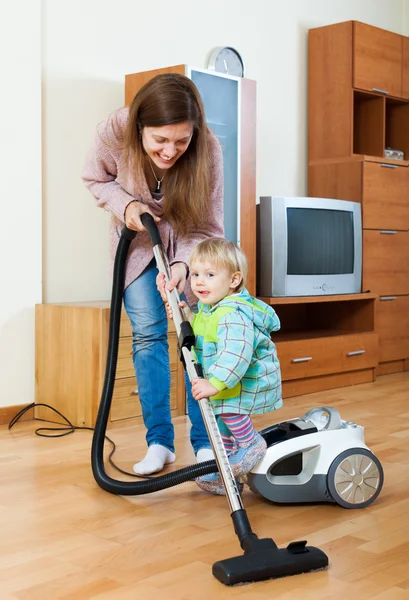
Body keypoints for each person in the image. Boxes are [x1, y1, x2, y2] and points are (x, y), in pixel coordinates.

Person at [82, 73, 224, 475]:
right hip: (137, 246)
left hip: (188, 250)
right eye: (160, 140)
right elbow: (96, 179)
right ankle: (159, 441)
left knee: (196, 337)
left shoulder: (208, 149)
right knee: (147, 334)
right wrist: (127, 206)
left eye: (181, 141)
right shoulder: (114, 130)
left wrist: (184, 266)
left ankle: (205, 442)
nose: (171, 151)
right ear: (139, 128)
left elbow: (209, 226)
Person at [161, 237, 282, 495]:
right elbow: (206, 333)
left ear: (234, 280)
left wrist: (213, 383)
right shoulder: (210, 309)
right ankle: (227, 474)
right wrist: (188, 318)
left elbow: (235, 355)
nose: (199, 281)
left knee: (229, 414)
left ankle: (250, 444)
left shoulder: (232, 314)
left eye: (210, 274)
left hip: (237, 381)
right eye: (195, 274)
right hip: (225, 383)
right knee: (220, 426)